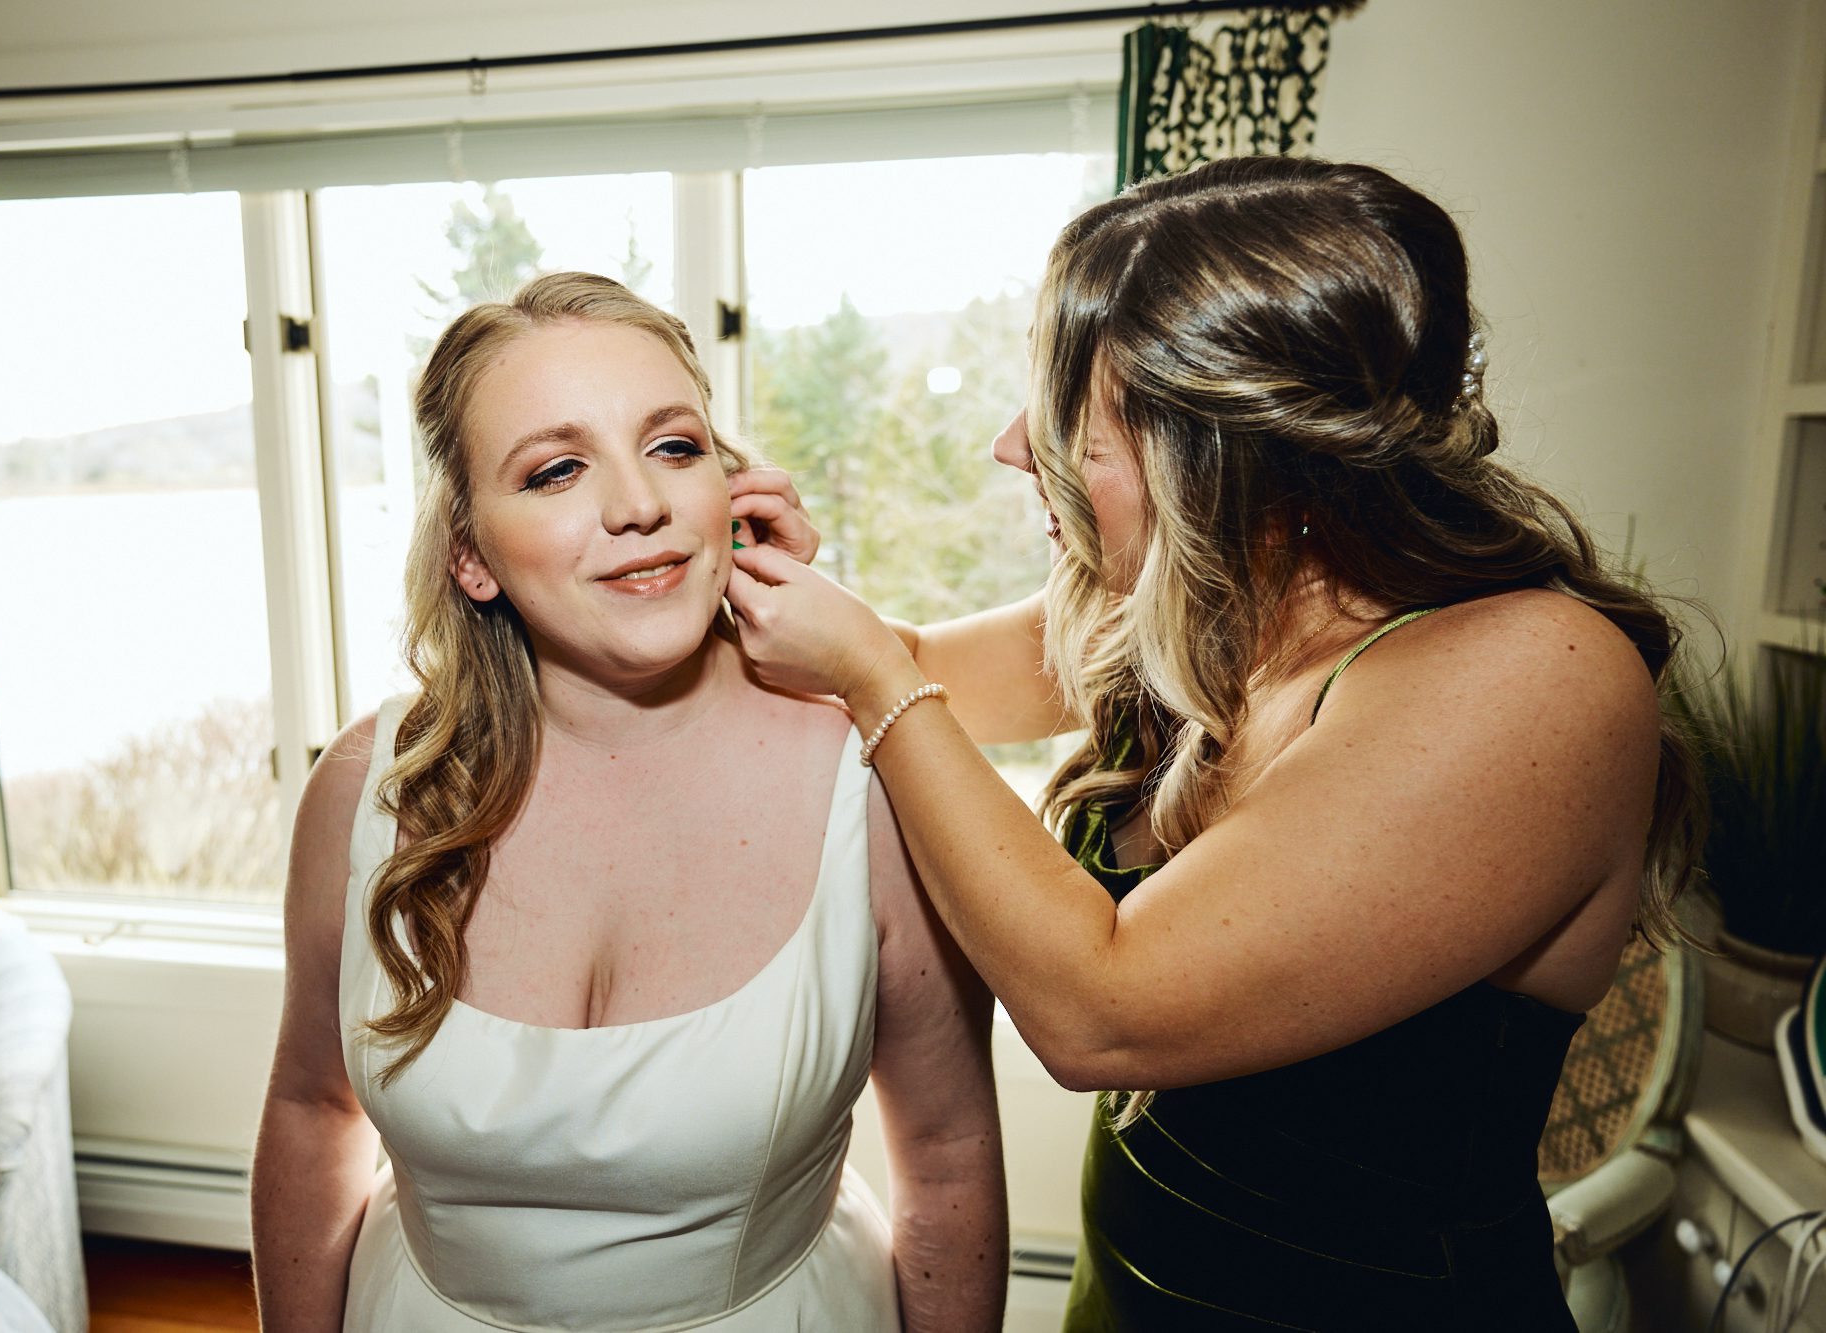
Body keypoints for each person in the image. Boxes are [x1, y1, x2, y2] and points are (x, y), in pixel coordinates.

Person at [722, 155, 1700, 1331]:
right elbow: (921, 660)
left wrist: (873, 679)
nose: (1010, 446)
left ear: (1227, 440)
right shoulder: (1198, 610)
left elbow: (1100, 1007)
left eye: (1069, 416)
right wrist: (709, 550)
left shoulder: (1537, 676)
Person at [250, 272, 1006, 1333]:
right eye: (556, 469)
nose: (639, 504)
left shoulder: (871, 781)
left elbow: (948, 1150)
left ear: (731, 492)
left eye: (674, 446)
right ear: (471, 556)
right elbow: (309, 1107)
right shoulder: (368, 785)